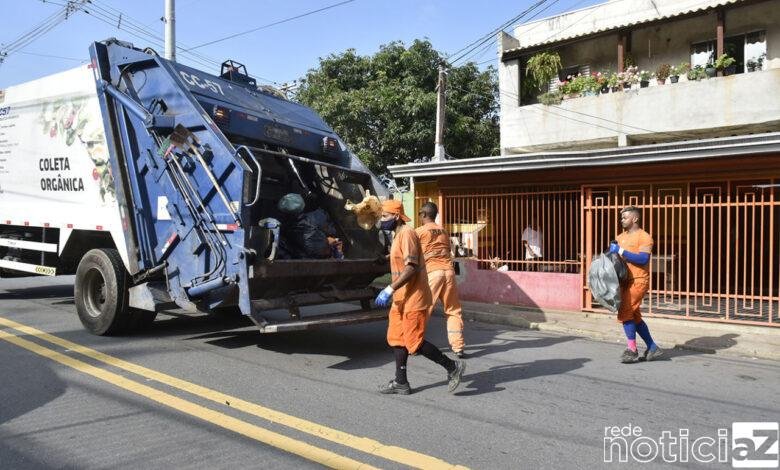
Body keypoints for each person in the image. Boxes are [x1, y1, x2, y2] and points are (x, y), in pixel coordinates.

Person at [374, 199, 466, 395]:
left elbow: (411, 266)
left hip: (414, 296)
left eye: (384, 217)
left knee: (414, 341)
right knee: (397, 338)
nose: (382, 221)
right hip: (402, 296)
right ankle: (401, 382)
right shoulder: (398, 234)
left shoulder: (407, 233)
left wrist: (389, 289)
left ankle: (452, 366)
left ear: (396, 216)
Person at [609, 206, 663, 363]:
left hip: (638, 280)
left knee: (625, 311)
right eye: (621, 218)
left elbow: (643, 259)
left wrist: (621, 251)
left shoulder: (645, 237)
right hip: (624, 281)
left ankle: (631, 350)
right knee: (634, 316)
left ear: (635, 219)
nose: (622, 220)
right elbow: (615, 259)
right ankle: (653, 348)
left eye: (625, 217)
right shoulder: (620, 237)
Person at [415, 202, 466, 358]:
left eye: (419, 214)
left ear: (423, 214)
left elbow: (412, 254)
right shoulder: (444, 231)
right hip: (449, 273)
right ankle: (458, 347)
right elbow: (450, 252)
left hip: (433, 274)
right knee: (453, 311)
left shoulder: (419, 232)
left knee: (424, 309)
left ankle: (414, 344)